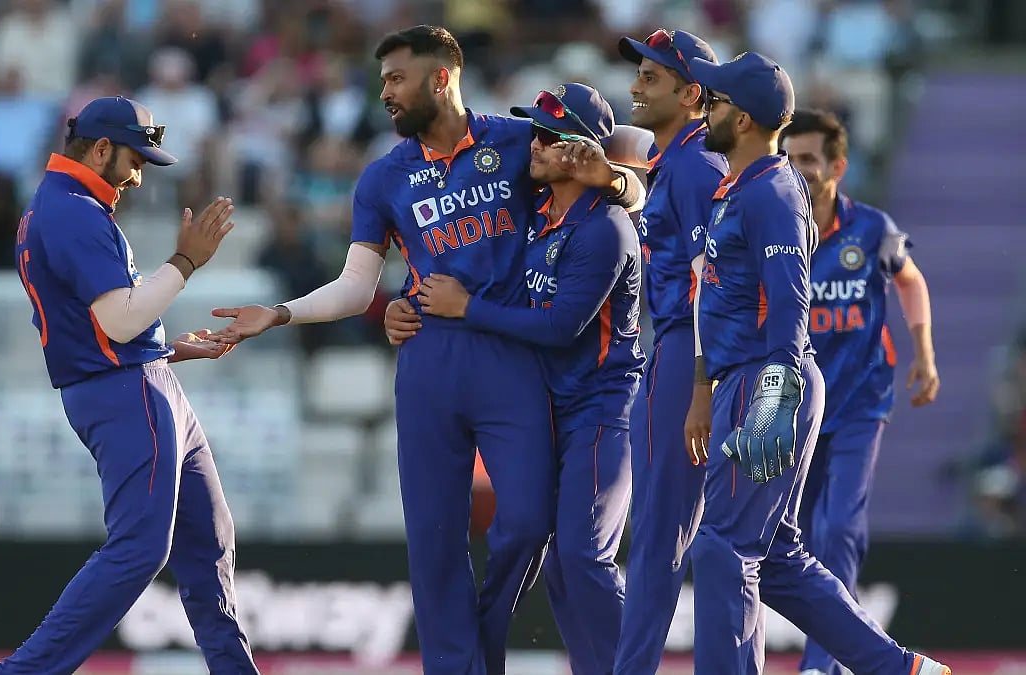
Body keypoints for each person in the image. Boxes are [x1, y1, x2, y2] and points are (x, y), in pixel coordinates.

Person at [209, 25, 649, 675]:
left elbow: (631, 178)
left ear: (441, 78)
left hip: (510, 357)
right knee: (435, 541)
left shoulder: (517, 140)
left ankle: (485, 644)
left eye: (396, 78)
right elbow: (357, 286)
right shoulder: (382, 178)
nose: (384, 92)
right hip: (428, 357)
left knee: (528, 522)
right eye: (382, 80)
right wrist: (279, 313)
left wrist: (614, 180)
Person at [687, 52, 951, 675]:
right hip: (752, 377)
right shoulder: (744, 188)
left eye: (716, 103)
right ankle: (900, 669)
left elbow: (789, 302)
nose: (706, 112)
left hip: (766, 377)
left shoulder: (773, 193)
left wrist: (774, 393)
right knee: (775, 557)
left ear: (743, 119)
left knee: (722, 544)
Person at [0, 96, 258, 675]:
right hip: (125, 393)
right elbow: (119, 322)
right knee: (140, 548)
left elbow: (101, 326)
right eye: (135, 160)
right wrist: (186, 261)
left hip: (139, 380)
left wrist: (165, 349)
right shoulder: (73, 212)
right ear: (101, 148)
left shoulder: (63, 205)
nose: (138, 177)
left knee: (209, 542)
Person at [386, 82, 644, 675]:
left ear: (581, 151)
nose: (535, 143)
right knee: (553, 555)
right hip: (546, 402)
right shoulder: (537, 209)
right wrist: (408, 300)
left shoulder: (605, 229)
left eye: (550, 137)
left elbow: (559, 328)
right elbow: (477, 261)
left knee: (582, 553)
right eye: (536, 132)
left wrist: (466, 308)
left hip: (600, 407)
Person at [782, 108, 940, 675]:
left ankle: (820, 665)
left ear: (837, 167)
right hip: (795, 408)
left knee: (838, 529)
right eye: (789, 160)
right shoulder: (773, 227)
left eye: (809, 160)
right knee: (793, 536)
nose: (799, 171)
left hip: (860, 401)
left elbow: (910, 279)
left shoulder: (872, 228)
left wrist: (923, 352)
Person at [609, 29, 731, 675]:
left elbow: (713, 283)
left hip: (690, 350)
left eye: (650, 77)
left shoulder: (694, 166)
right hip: (683, 348)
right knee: (716, 540)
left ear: (690, 94)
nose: (635, 86)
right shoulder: (678, 158)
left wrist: (701, 383)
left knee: (660, 533)